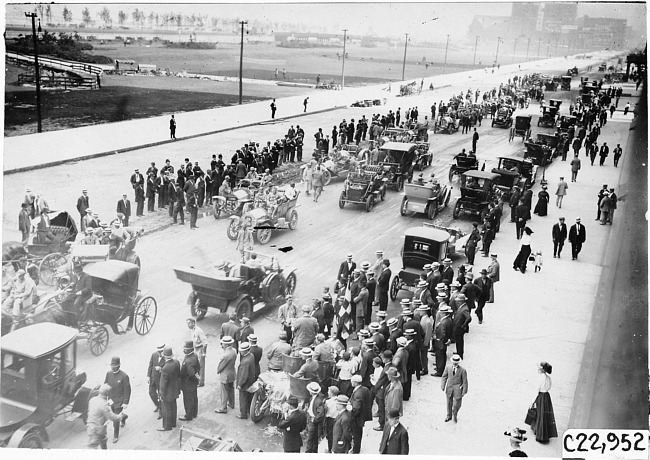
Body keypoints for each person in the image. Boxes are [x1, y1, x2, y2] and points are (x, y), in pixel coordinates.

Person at [86, 384, 127, 449]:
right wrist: (120, 416)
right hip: (98, 430)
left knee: (102, 443)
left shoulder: (93, 400)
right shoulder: (103, 404)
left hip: (90, 427)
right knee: (94, 447)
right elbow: (112, 417)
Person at [103, 357, 131, 443]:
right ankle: (123, 417)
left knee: (115, 418)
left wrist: (125, 402)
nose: (113, 367)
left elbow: (127, 390)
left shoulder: (124, 376)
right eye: (112, 365)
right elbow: (105, 385)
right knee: (115, 414)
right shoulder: (108, 374)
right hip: (111, 400)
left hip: (120, 401)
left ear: (119, 366)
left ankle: (115, 435)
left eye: (115, 366)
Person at [529, 362, 558, 443]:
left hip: (541, 396)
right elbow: (549, 387)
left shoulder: (540, 378)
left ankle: (541, 435)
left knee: (539, 414)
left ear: (543, 370)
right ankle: (543, 431)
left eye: (540, 368)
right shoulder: (548, 378)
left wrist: (532, 401)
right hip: (546, 396)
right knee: (545, 414)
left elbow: (536, 390)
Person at [441, 354, 468, 423]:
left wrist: (464, 391)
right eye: (454, 363)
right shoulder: (448, 368)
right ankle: (449, 415)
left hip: (458, 389)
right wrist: (443, 385)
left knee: (457, 404)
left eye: (456, 363)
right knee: (449, 402)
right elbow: (444, 377)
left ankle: (455, 413)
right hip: (449, 387)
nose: (455, 364)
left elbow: (465, 382)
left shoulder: (463, 370)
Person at [158, 346, 181, 431]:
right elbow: (178, 375)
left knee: (166, 409)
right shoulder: (176, 362)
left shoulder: (165, 368)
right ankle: (173, 423)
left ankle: (167, 426)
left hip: (167, 393)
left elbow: (163, 384)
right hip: (174, 390)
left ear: (164, 356)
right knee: (173, 406)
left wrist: (161, 394)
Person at [350, 374, 372, 453]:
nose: (351, 383)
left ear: (356, 383)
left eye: (352, 381)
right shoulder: (364, 389)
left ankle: (356, 450)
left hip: (357, 418)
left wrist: (351, 415)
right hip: (363, 416)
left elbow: (356, 408)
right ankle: (357, 448)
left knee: (356, 434)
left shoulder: (357, 394)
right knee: (359, 433)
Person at [214, 336, 237, 413]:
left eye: (223, 343)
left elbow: (220, 366)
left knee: (224, 391)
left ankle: (223, 408)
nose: (222, 345)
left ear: (226, 345)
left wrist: (218, 371)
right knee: (231, 388)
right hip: (232, 373)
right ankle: (231, 403)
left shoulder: (225, 355)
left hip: (225, 375)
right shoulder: (234, 351)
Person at [179, 340, 200, 421]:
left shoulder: (188, 361)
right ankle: (194, 413)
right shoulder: (194, 355)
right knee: (194, 398)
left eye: (186, 349)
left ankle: (188, 416)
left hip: (187, 384)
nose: (184, 350)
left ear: (190, 349)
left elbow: (191, 373)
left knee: (188, 400)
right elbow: (198, 367)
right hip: (193, 383)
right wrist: (197, 377)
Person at [236, 341, 256, 419]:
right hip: (250, 381)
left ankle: (243, 414)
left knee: (243, 398)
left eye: (241, 350)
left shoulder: (245, 361)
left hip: (245, 384)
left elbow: (244, 375)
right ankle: (248, 410)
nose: (240, 352)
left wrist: (240, 385)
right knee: (248, 397)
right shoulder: (251, 356)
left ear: (245, 350)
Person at [305, 382, 325, 453]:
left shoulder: (318, 401)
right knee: (312, 439)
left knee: (310, 439)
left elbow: (321, 414)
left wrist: (314, 420)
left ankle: (308, 453)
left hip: (313, 422)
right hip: (310, 419)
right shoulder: (313, 398)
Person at [147, 343, 165, 416]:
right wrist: (148, 376)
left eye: (161, 351)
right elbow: (150, 366)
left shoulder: (167, 356)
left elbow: (169, 368)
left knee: (161, 396)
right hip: (153, 378)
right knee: (151, 393)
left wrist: (161, 369)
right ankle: (158, 405)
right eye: (158, 352)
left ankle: (161, 411)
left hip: (161, 380)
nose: (160, 353)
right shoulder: (154, 355)